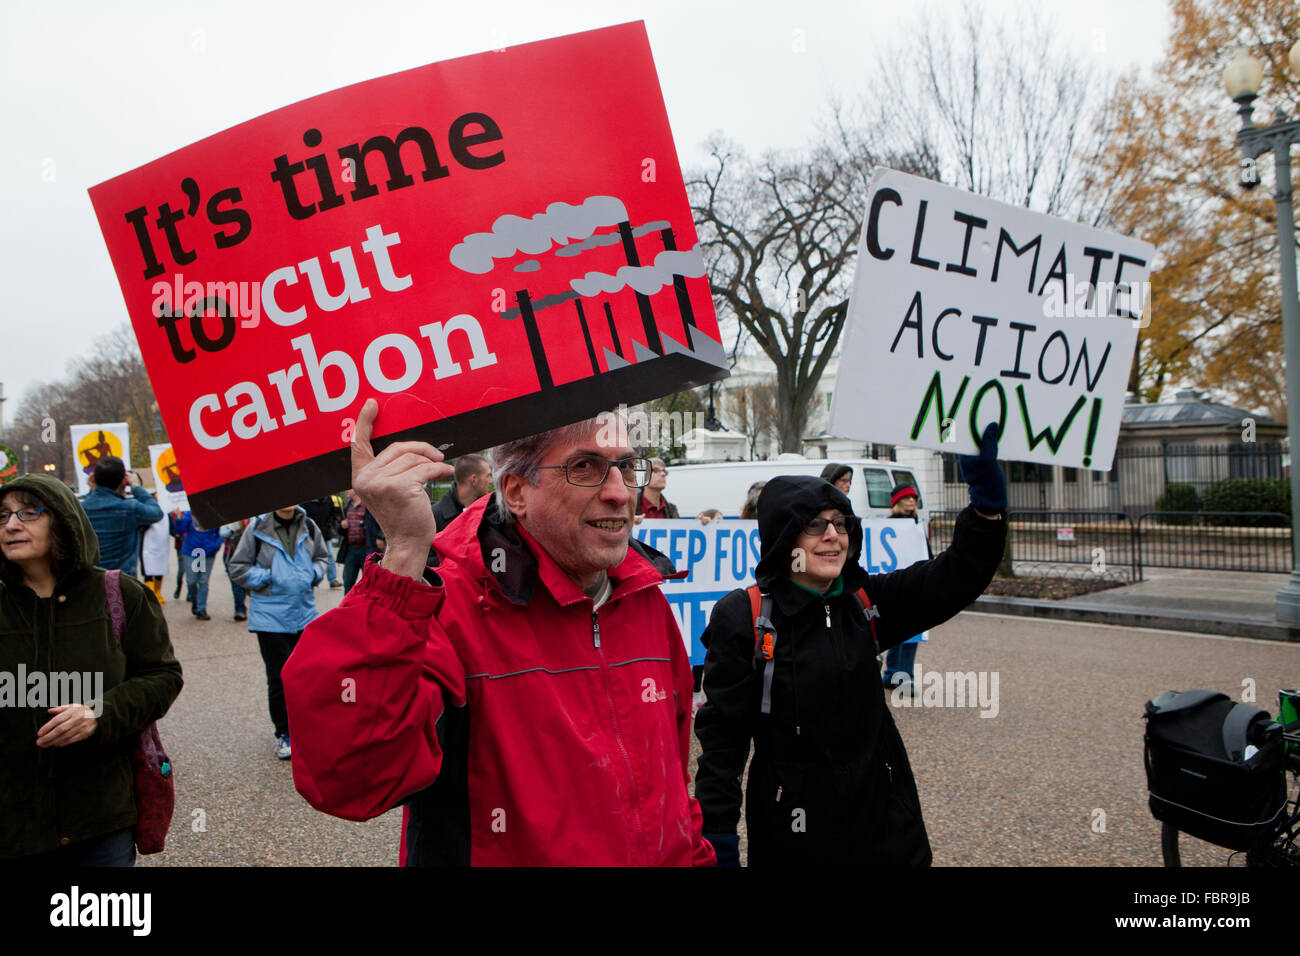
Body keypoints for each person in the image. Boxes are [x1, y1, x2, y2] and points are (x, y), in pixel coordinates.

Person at [281, 400, 716, 866]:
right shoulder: (446, 610)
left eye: (627, 467)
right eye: (585, 467)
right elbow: (351, 782)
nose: (619, 493)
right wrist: (405, 553)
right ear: (516, 491)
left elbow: (671, 778)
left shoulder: (644, 596)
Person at [694, 425, 1007, 867]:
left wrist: (986, 509)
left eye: (840, 523)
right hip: (796, 838)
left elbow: (957, 576)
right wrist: (718, 842)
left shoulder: (865, 602)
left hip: (887, 832)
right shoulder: (743, 617)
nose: (832, 535)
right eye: (814, 525)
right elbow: (722, 747)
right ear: (785, 539)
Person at [0, 474, 183, 864]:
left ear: (63, 520)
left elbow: (163, 677)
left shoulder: (121, 594)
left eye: (29, 513)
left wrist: (98, 713)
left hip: (100, 820)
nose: (11, 525)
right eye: (1, 516)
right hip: (13, 823)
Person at [228, 504, 329, 760]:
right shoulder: (257, 528)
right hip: (270, 616)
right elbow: (238, 567)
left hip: (304, 613)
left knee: (306, 676)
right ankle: (284, 733)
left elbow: (322, 558)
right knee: (279, 677)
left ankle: (304, 729)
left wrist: (313, 574)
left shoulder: (309, 525)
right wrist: (269, 576)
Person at [882, 482, 930, 692]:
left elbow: (925, 553)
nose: (912, 501)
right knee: (901, 630)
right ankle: (899, 675)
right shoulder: (891, 524)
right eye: (907, 498)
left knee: (911, 631)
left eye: (914, 498)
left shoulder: (917, 523)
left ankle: (896, 674)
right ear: (897, 502)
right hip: (896, 582)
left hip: (914, 582)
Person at [81, 457, 163, 576]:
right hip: (121, 583)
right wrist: (136, 486)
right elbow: (156, 512)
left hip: (90, 582)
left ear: (92, 479)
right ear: (125, 481)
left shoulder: (81, 509)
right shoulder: (130, 508)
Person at [171, 512, 221, 620]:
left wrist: (215, 545)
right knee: (191, 580)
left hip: (208, 553)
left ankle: (201, 608)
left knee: (203, 581)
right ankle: (195, 600)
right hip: (192, 552)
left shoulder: (214, 515)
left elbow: (220, 533)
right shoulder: (190, 515)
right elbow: (179, 531)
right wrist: (179, 520)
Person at [432, 454, 492, 531]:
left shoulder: (490, 511)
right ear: (474, 479)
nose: (491, 481)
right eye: (488, 476)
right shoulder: (434, 518)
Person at [303, 496, 344, 589]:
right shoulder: (306, 501)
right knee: (308, 555)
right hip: (310, 533)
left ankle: (332, 579)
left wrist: (330, 525)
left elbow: (333, 514)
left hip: (325, 532)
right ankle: (310, 579)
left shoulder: (328, 499)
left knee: (329, 556)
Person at [220, 518, 249, 621]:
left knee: (248, 584)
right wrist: (233, 530)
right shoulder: (228, 517)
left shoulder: (253, 518)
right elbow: (222, 532)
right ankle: (240, 609)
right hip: (231, 554)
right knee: (236, 584)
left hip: (248, 556)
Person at [338, 489, 368, 593]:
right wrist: (342, 526)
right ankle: (347, 606)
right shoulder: (347, 506)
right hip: (351, 549)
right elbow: (340, 531)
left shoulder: (368, 505)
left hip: (366, 549)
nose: (346, 491)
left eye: (348, 488)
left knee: (368, 583)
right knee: (348, 582)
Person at [139, 510, 171, 604]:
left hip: (161, 547)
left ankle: (158, 592)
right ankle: (150, 595)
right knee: (148, 572)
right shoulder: (145, 511)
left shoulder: (165, 513)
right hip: (147, 546)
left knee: (160, 570)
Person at [635, 457, 679, 521]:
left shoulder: (672, 509)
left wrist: (697, 523)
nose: (663, 474)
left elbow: (679, 529)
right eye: (656, 470)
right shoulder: (630, 508)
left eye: (664, 471)